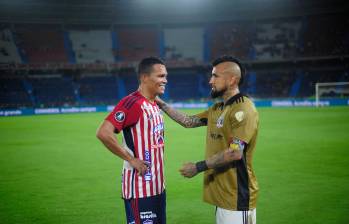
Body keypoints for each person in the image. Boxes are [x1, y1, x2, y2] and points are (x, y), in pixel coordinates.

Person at [156, 55, 259, 224]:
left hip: (237, 198)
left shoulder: (244, 108)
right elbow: (188, 122)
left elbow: (235, 153)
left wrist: (198, 167)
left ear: (232, 80)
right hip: (222, 196)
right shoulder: (217, 108)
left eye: (215, 76)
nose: (211, 81)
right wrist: (161, 104)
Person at [96, 57, 168, 224]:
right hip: (140, 189)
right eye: (160, 76)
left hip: (158, 187)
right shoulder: (132, 103)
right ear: (144, 77)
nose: (165, 80)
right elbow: (103, 133)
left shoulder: (154, 104)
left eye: (165, 76)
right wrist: (131, 159)